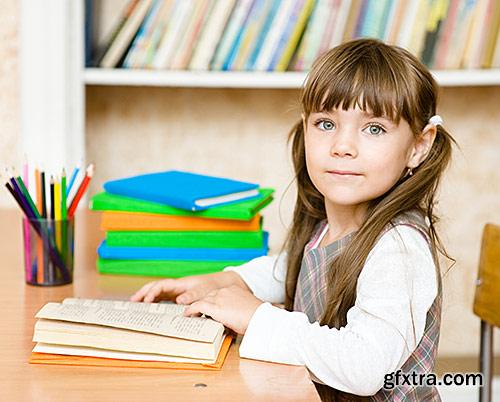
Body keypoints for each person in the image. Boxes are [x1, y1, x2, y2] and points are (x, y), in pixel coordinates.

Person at [130, 38, 456, 401]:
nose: (342, 146)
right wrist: (227, 280)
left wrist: (256, 318)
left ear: (419, 145)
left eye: (374, 128)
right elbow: (298, 269)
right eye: (326, 124)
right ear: (305, 127)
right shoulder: (329, 225)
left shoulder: (400, 248)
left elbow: (364, 366)